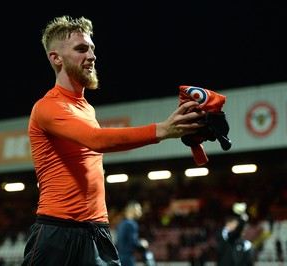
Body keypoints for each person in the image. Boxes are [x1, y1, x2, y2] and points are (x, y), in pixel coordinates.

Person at [21, 15, 206, 266]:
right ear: (56, 58)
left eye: (92, 48)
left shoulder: (86, 109)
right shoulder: (47, 107)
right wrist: (163, 130)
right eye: (81, 49)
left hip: (97, 230)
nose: (92, 56)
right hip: (57, 231)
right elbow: (96, 140)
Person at [116, 201, 156, 266]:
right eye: (139, 209)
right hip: (128, 259)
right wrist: (142, 244)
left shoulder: (121, 223)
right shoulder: (132, 224)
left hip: (120, 257)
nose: (140, 212)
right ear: (132, 210)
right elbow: (133, 242)